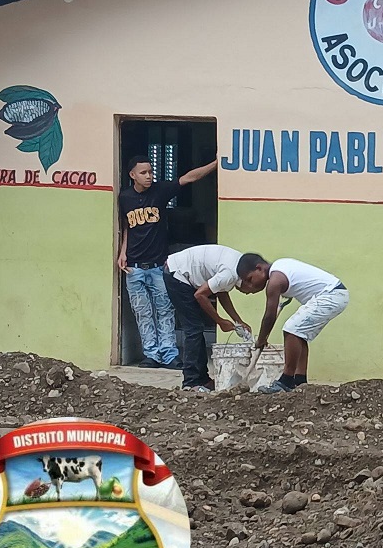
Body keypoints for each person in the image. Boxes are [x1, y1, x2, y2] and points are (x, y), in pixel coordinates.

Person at [117, 155, 217, 369]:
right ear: (132, 175)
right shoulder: (124, 197)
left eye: (151, 172)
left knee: (165, 311)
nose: (149, 176)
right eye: (143, 173)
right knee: (142, 312)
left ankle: (170, 354)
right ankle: (151, 355)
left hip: (158, 266)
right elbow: (127, 226)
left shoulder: (160, 191)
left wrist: (216, 163)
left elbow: (188, 178)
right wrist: (122, 252)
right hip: (134, 268)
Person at [237, 254, 349, 394]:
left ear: (259, 268)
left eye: (249, 279)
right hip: (337, 293)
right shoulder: (280, 267)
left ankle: (286, 380)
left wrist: (261, 339)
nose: (250, 286)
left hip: (331, 295)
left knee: (291, 329)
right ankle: (300, 381)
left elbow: (269, 316)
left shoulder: (275, 281)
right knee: (299, 333)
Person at [163, 244, 252, 392]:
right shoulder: (230, 273)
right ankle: (191, 382)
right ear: (248, 278)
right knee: (193, 329)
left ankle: (202, 379)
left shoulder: (238, 268)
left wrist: (237, 320)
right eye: (253, 289)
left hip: (183, 272)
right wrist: (220, 321)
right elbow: (200, 295)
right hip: (177, 273)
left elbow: (220, 291)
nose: (250, 293)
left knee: (197, 329)